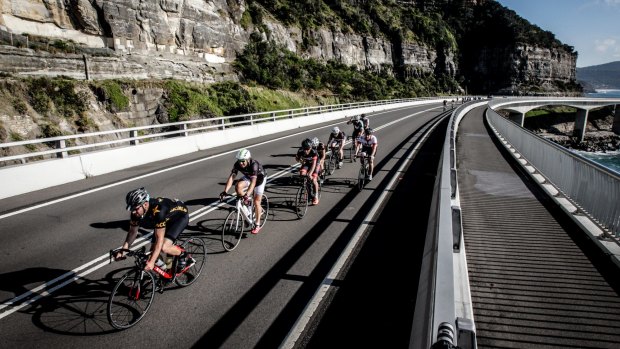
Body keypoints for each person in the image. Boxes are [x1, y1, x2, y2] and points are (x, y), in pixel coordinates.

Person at [115, 187, 193, 272]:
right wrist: (123, 250)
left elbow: (159, 239)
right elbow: (132, 232)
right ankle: (166, 270)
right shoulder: (136, 213)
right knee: (152, 253)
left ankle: (184, 256)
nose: (133, 212)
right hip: (164, 220)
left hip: (179, 218)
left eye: (136, 208)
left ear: (145, 204)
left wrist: (151, 262)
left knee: (164, 247)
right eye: (131, 209)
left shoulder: (158, 211)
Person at [220, 148, 267, 234]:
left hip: (259, 179)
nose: (241, 163)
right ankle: (248, 209)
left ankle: (257, 224)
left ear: (248, 159)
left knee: (257, 202)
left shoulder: (254, 165)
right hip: (249, 177)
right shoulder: (237, 164)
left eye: (243, 161)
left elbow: (253, 183)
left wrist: (247, 194)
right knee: (238, 186)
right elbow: (232, 177)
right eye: (239, 161)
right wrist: (225, 191)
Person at [295, 138, 321, 205]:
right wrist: (300, 161)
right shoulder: (300, 150)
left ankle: (316, 196)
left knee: (313, 179)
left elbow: (314, 164)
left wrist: (310, 173)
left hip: (315, 164)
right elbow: (297, 158)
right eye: (304, 149)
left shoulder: (314, 151)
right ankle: (307, 188)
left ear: (310, 147)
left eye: (307, 149)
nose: (306, 151)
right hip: (307, 163)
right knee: (302, 174)